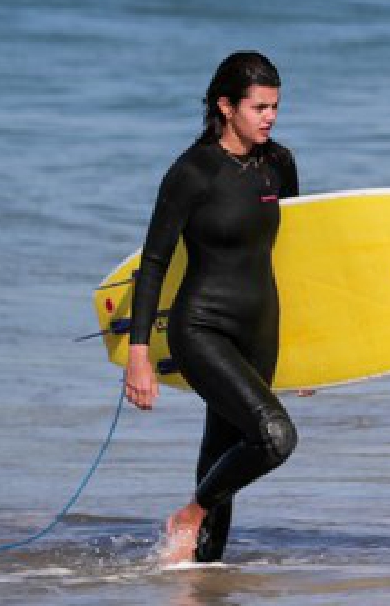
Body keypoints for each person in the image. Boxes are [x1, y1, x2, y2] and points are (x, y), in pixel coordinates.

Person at [124, 52, 301, 565]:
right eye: (259, 107)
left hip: (259, 330)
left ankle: (198, 580)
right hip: (201, 327)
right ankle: (189, 514)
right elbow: (154, 263)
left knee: (222, 456)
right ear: (226, 107)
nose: (270, 117)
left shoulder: (279, 164)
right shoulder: (192, 172)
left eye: (275, 107)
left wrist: (313, 349)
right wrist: (139, 353)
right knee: (275, 436)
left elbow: (294, 256)